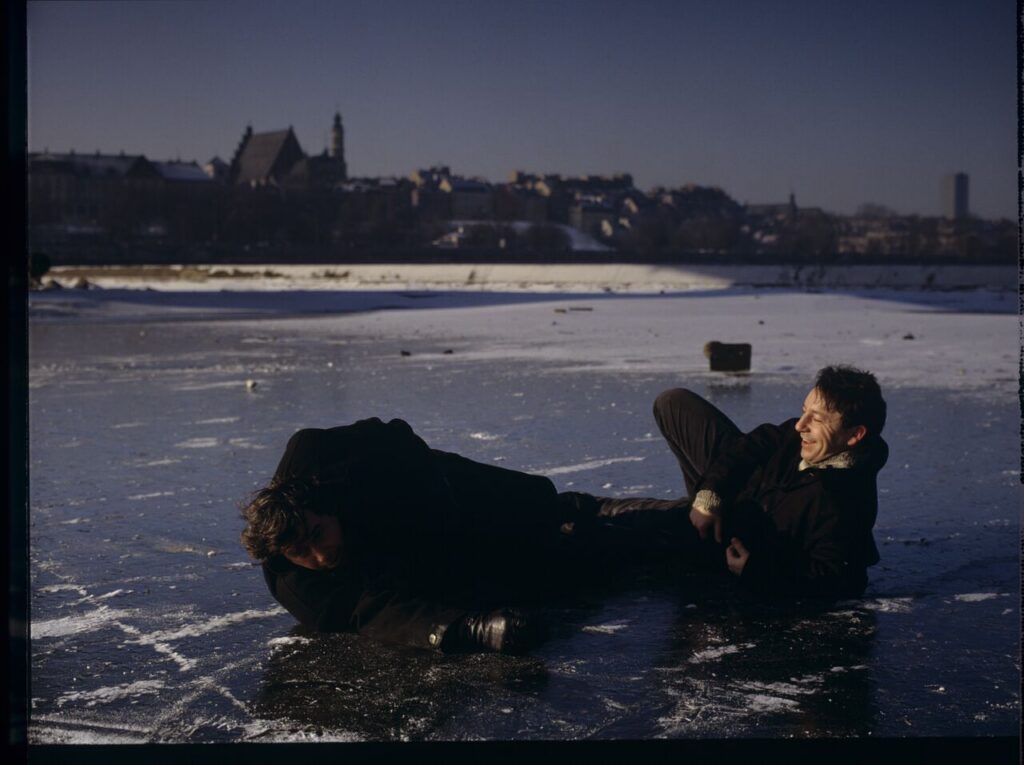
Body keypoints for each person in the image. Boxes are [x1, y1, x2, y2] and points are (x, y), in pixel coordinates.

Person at [240, 416, 601, 655]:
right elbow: (371, 614)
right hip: (413, 558)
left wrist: (433, 501)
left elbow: (395, 434)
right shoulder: (298, 587)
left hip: (436, 487)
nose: (319, 555)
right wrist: (469, 629)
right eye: (300, 551)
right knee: (553, 565)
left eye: (317, 535)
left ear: (323, 505)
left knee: (536, 501)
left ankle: (575, 507)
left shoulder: (317, 455)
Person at [575, 364, 888, 599]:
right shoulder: (807, 438)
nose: (800, 426)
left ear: (855, 435)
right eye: (804, 411)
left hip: (729, 537)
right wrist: (711, 495)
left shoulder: (843, 502)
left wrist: (754, 571)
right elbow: (752, 445)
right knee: (675, 402)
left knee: (629, 526)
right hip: (732, 496)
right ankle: (698, 502)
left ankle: (569, 510)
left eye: (816, 419)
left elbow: (840, 581)